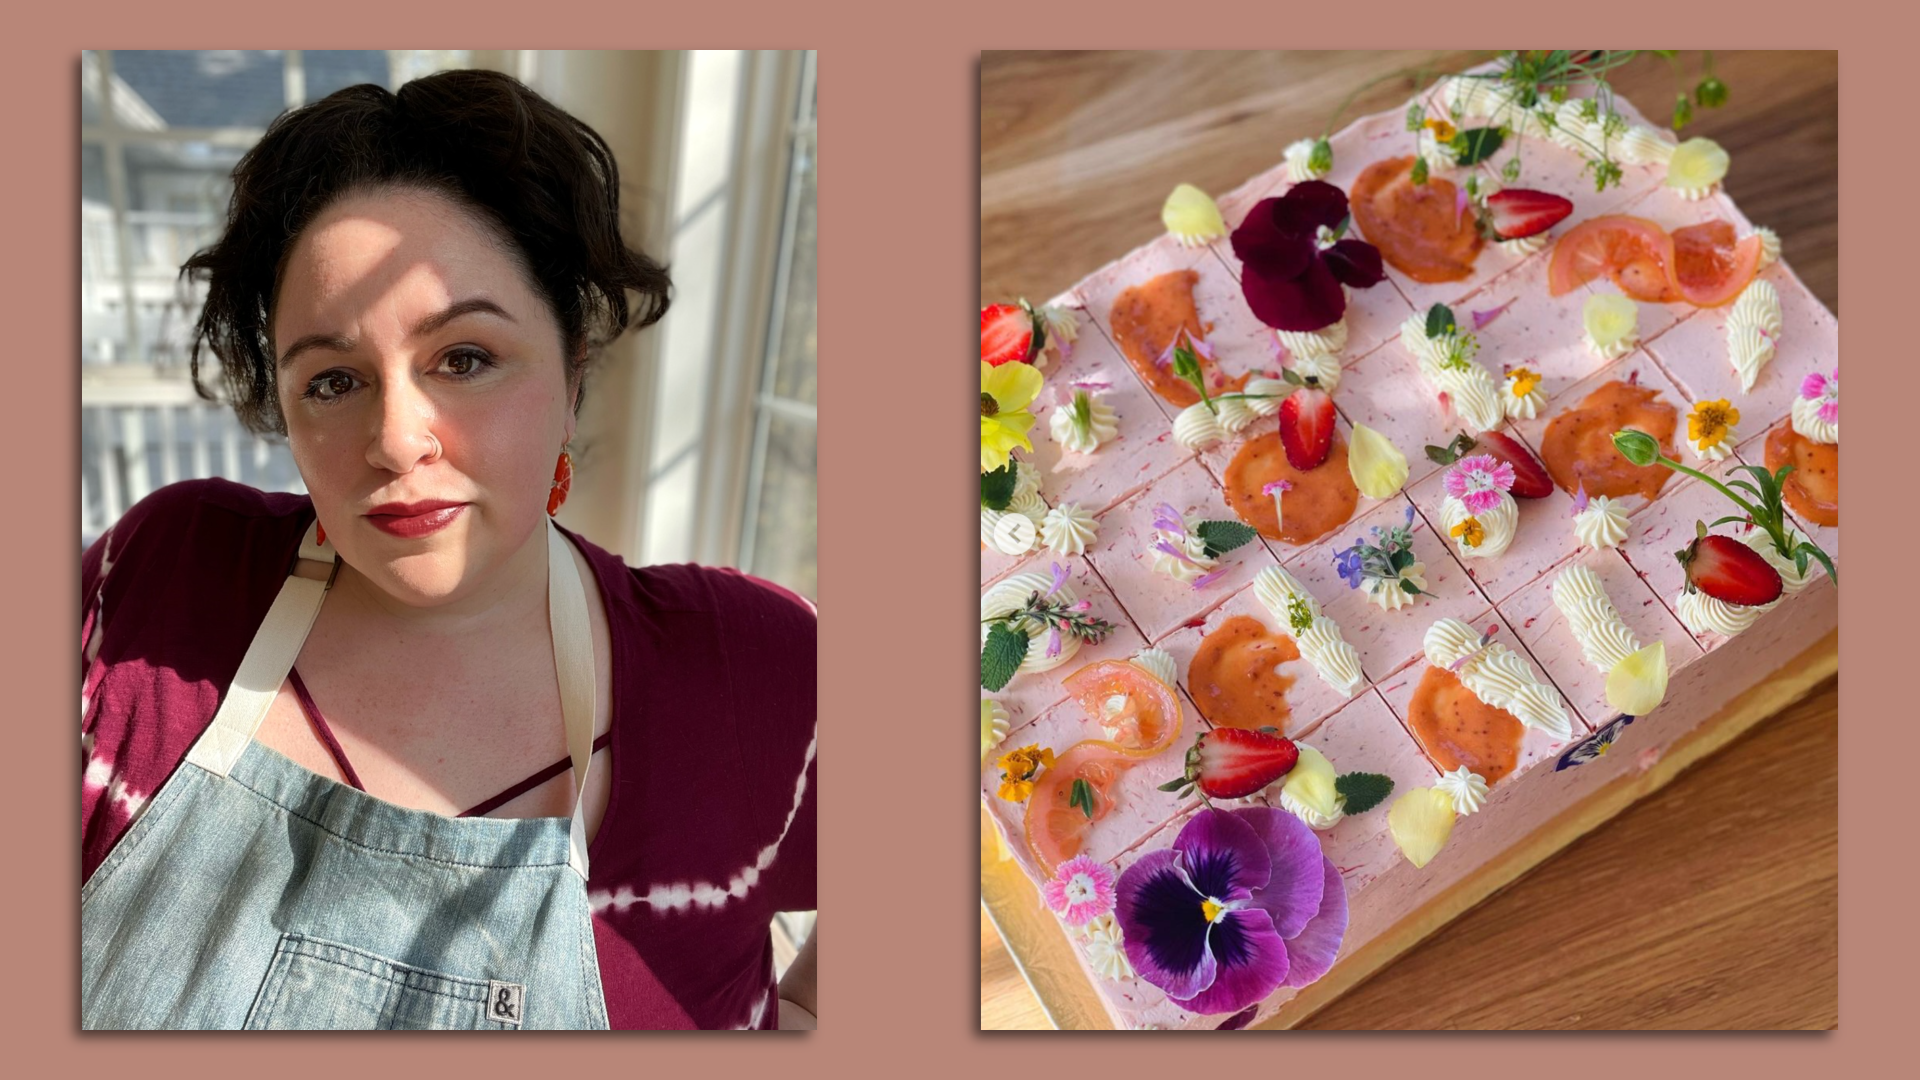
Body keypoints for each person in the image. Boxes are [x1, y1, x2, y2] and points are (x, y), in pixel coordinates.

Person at [78, 69, 817, 1030]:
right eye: (334, 381)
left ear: (571, 366)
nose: (394, 439)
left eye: (462, 359)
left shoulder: (745, 669)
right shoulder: (162, 584)